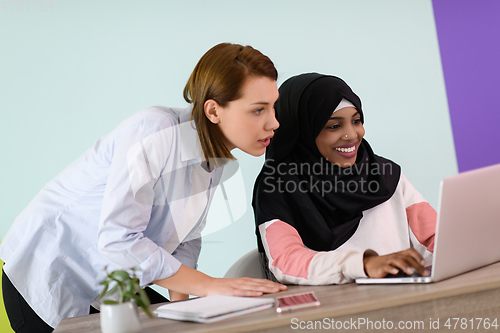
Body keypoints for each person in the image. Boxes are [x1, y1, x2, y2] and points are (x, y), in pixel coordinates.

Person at [0, 43, 287, 332]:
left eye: (273, 107)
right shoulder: (154, 131)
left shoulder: (213, 160)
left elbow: (186, 241)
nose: (273, 122)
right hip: (50, 274)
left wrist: (184, 309)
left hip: (111, 283)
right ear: (213, 110)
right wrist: (210, 286)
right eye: (258, 110)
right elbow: (119, 238)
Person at [252, 73, 436, 285]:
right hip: (329, 313)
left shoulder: (384, 173)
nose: (351, 135)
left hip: (401, 301)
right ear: (302, 132)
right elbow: (287, 261)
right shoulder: (277, 187)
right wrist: (363, 265)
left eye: (356, 121)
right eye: (334, 126)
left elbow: (434, 239)